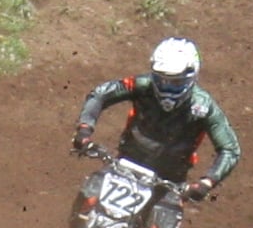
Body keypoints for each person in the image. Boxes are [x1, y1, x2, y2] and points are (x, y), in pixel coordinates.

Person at [73, 40, 241, 204]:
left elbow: (230, 149)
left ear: (191, 77)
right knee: (89, 198)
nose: (166, 87)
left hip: (170, 179)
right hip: (126, 164)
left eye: (175, 82)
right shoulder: (142, 85)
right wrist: (85, 129)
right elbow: (102, 93)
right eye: (161, 80)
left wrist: (207, 182)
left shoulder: (204, 106)